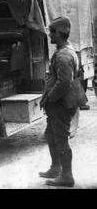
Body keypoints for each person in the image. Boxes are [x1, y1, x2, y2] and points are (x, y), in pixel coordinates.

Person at [39, 17, 87, 187]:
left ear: (61, 33)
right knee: (51, 136)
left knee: (60, 139)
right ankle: (55, 168)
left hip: (60, 104)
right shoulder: (63, 50)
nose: (50, 34)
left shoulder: (64, 55)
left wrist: (49, 99)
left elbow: (64, 82)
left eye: (52, 31)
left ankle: (67, 176)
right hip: (58, 103)